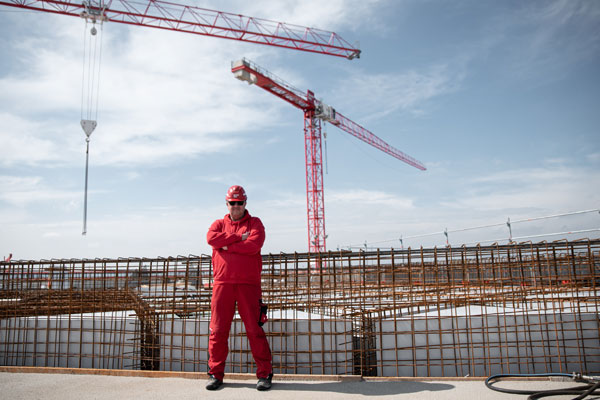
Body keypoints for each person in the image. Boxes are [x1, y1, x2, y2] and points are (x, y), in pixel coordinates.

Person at [205, 185, 273, 391]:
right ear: (227, 204)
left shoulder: (255, 223)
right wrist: (237, 238)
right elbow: (210, 239)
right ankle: (215, 374)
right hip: (222, 285)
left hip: (248, 286)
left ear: (245, 203)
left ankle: (264, 374)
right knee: (218, 331)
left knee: (254, 330)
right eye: (232, 203)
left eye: (239, 203)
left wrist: (225, 246)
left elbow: (253, 245)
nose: (236, 207)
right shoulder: (218, 224)